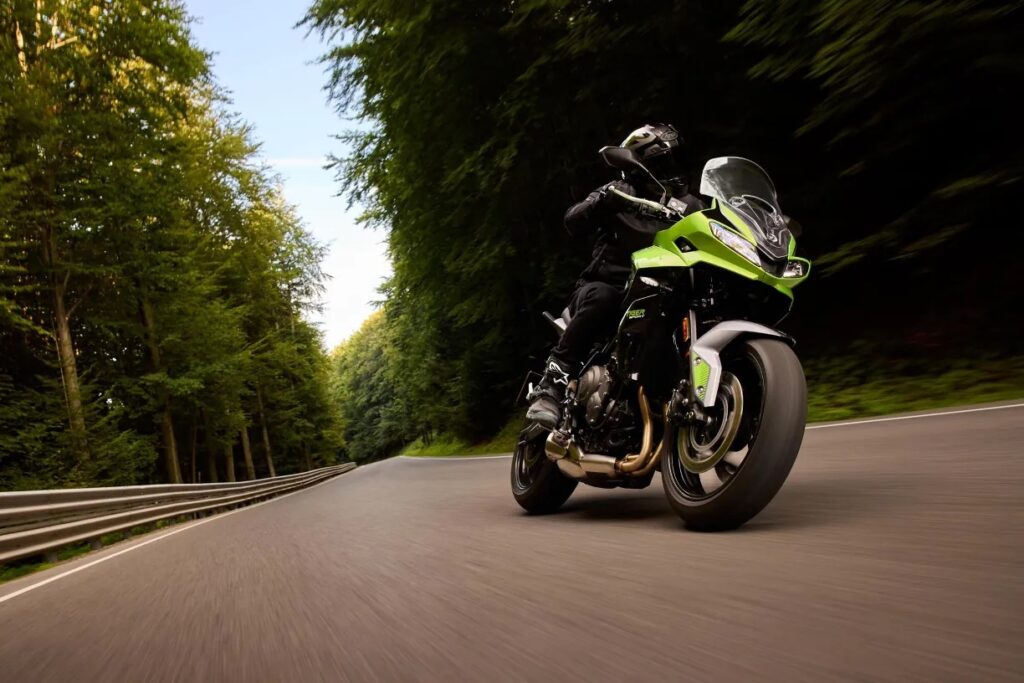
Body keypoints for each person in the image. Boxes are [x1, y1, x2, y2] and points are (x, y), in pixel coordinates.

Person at [526, 123, 704, 429]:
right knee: (604, 298)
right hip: (609, 287)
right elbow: (573, 220)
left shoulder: (691, 206)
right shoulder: (620, 192)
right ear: (640, 165)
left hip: (661, 292)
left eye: (676, 159)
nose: (673, 168)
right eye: (664, 161)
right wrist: (602, 201)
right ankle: (552, 384)